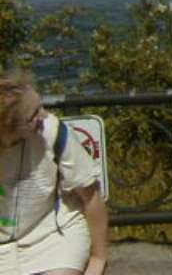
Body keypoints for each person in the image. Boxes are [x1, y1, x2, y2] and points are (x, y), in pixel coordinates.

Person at [0, 71, 108, 275]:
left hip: (53, 234)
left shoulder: (51, 129)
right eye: (33, 115)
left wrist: (98, 258)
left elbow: (91, 195)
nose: (44, 115)